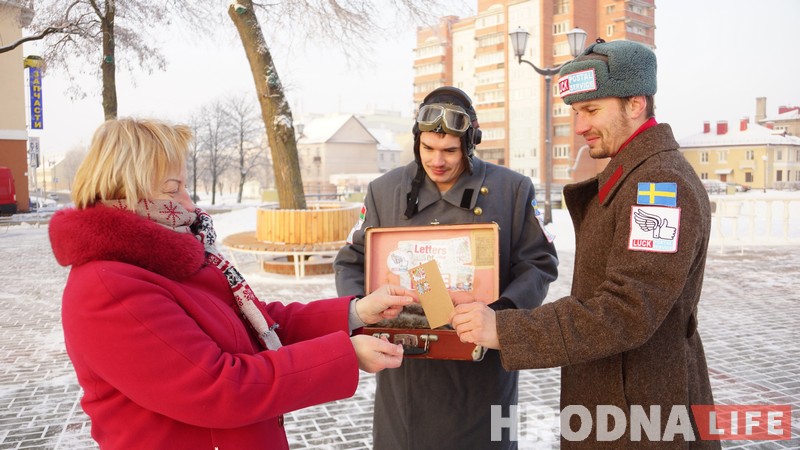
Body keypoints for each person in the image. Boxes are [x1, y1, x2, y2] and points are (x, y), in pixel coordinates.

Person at [48, 118, 416, 450]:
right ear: (125, 190)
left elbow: (259, 324)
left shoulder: (169, 259)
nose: (189, 204)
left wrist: (355, 311)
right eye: (173, 188)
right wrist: (344, 356)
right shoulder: (108, 287)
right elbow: (220, 388)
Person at [451, 39, 720, 449]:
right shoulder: (638, 175)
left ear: (636, 104)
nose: (579, 127)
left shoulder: (659, 187)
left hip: (637, 417)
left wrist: (504, 329)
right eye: (576, 112)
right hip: (622, 403)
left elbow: (627, 310)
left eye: (592, 110)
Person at [334, 86, 559, 449]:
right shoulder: (383, 190)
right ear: (416, 142)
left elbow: (538, 263)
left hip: (481, 368)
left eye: (450, 150)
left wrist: (500, 314)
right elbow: (350, 261)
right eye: (428, 149)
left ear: (470, 144)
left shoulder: (512, 190)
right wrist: (364, 312)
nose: (437, 161)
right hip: (406, 369)